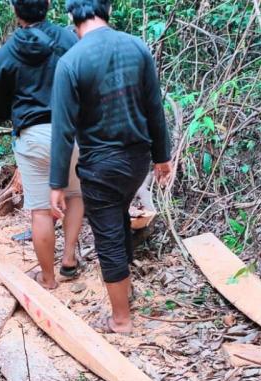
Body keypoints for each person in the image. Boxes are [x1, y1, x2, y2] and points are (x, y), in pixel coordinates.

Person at [49, 0, 173, 334]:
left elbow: (62, 129)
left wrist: (56, 184)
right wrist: (162, 156)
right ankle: (126, 289)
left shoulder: (70, 62)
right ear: (107, 9)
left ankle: (121, 319)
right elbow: (154, 106)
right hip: (137, 160)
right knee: (117, 215)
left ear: (72, 15)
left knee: (107, 236)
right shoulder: (137, 47)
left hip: (101, 164)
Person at [0, 0, 83, 290]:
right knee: (75, 194)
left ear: (15, 10)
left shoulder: (6, 53)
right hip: (71, 130)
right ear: (49, 4)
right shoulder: (68, 39)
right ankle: (68, 258)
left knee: (41, 209)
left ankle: (48, 278)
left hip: (33, 135)